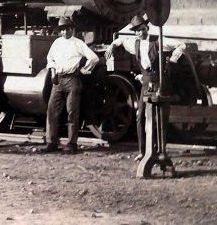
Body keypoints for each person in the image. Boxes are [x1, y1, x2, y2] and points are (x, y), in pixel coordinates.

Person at [105, 14, 186, 160]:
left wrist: (172, 60)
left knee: (160, 117)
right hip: (146, 83)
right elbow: (121, 40)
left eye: (142, 29)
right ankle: (143, 151)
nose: (140, 33)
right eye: (137, 31)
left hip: (160, 81)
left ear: (146, 28)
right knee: (140, 116)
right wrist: (112, 45)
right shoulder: (134, 43)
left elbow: (181, 45)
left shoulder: (158, 41)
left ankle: (161, 150)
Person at [44, 17, 99, 153]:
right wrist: (52, 73)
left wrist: (84, 69)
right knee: (52, 111)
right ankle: (51, 142)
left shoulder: (78, 43)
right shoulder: (56, 43)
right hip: (58, 80)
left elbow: (94, 58)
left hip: (72, 81)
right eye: (62, 29)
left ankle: (71, 144)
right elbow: (50, 58)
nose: (64, 32)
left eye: (67, 29)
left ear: (72, 29)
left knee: (72, 113)